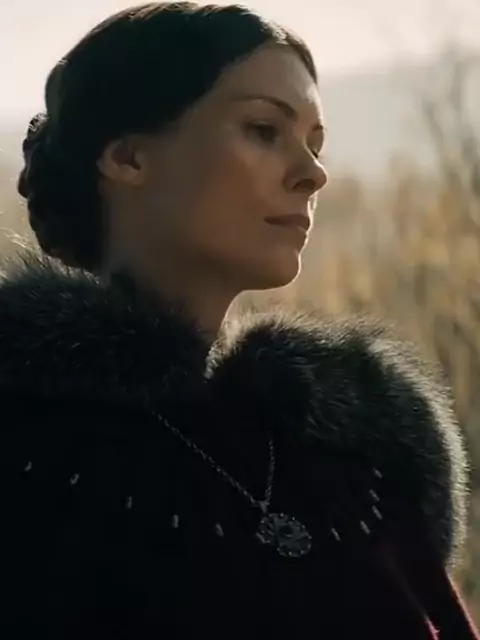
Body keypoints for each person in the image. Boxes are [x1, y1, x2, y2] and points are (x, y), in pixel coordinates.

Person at [1, 2, 478, 638]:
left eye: (315, 143)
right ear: (129, 157)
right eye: (263, 129)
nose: (313, 174)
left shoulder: (353, 454)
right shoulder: (23, 447)